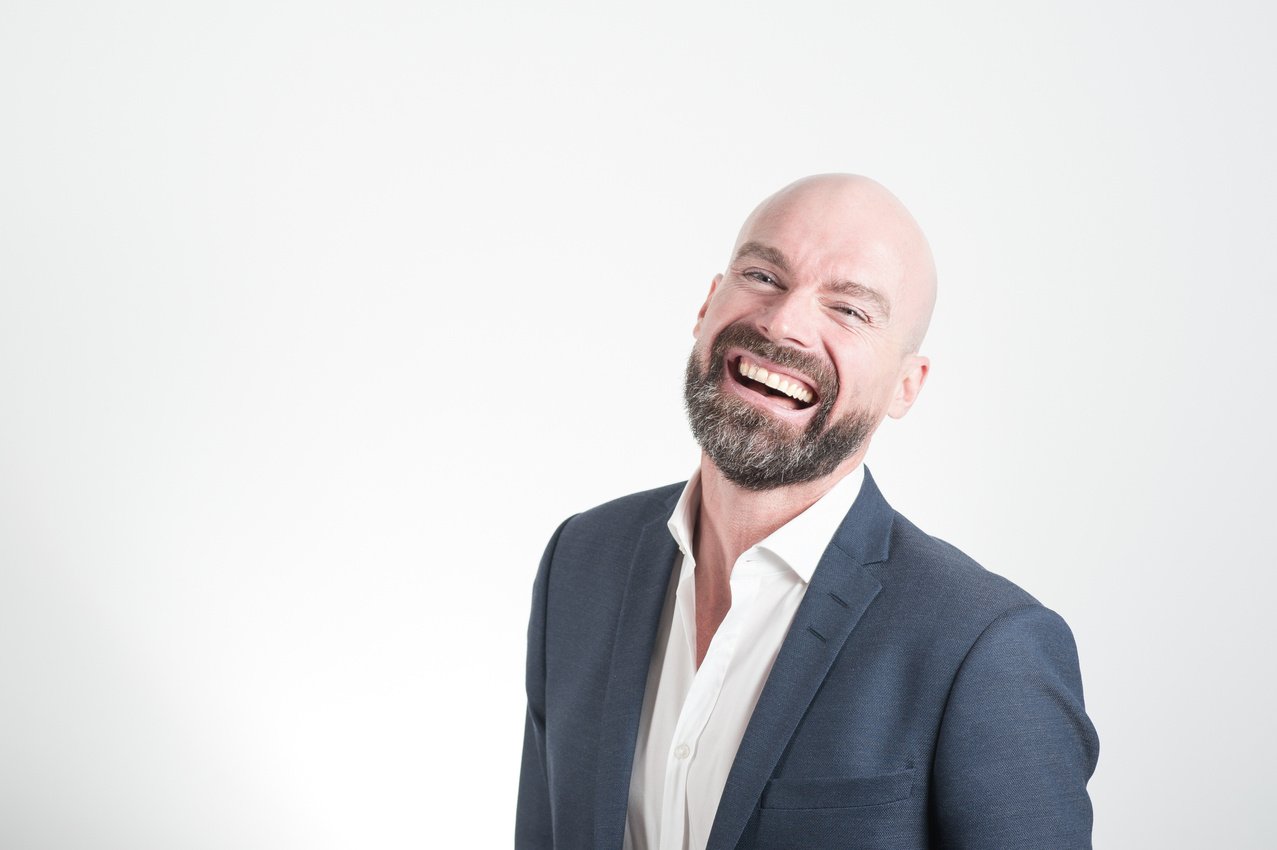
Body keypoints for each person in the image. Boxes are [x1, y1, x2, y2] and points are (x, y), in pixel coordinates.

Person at [515, 174, 1099, 850]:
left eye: (849, 310)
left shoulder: (985, 647)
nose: (783, 322)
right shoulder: (581, 563)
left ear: (904, 387)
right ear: (708, 303)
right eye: (763, 274)